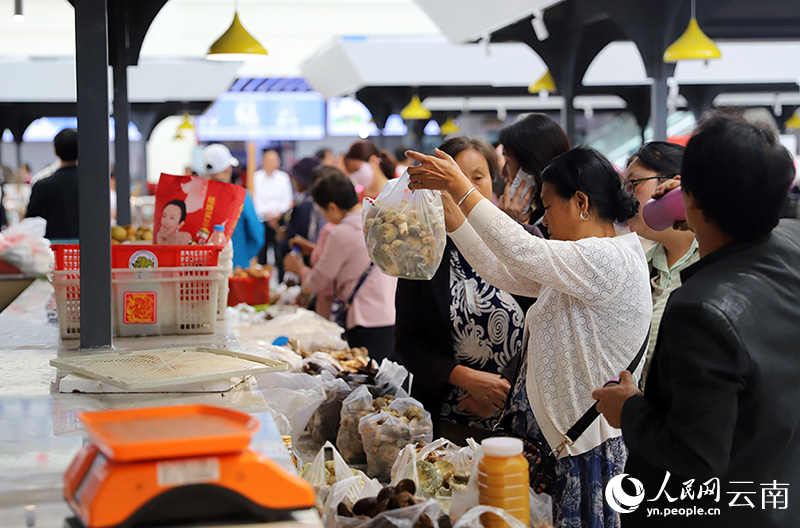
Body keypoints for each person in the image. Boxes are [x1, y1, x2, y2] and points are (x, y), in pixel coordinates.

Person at [407, 146, 651, 527]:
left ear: (581, 202)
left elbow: (522, 250)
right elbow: (501, 270)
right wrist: (455, 218)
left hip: (577, 446)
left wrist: (460, 187)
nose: (544, 219)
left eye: (548, 206)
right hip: (555, 439)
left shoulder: (609, 259)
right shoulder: (584, 259)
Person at [593, 113, 800, 528]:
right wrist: (698, 205)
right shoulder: (792, 243)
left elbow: (695, 457)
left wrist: (629, 409)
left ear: (692, 195)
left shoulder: (700, 309)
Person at [395, 137, 529, 444]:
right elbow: (407, 339)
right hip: (447, 418)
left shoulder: (520, 241)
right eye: (454, 176)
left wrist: (500, 389)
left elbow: (545, 323)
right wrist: (464, 377)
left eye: (477, 178)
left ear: (494, 185)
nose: (464, 187)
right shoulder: (422, 249)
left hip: (518, 415)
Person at [283, 169, 398, 361]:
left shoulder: (341, 232)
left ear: (333, 207)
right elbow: (353, 256)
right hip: (391, 314)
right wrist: (312, 250)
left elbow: (318, 280)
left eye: (322, 210)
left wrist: (299, 268)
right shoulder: (376, 219)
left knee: (367, 379)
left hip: (366, 318)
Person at [622, 142, 698, 389]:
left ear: (674, 184)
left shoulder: (715, 258)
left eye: (634, 185)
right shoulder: (639, 267)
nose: (626, 197)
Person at [497, 113, 571, 235]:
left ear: (528, 170)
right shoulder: (540, 217)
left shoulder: (554, 226)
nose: (503, 173)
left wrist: (511, 226)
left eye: (508, 162)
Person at [202, 144, 264, 268]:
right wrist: (244, 256)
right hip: (236, 267)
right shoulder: (241, 196)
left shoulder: (196, 195)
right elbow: (257, 235)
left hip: (204, 267)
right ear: (228, 168)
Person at [26, 128, 81, 240]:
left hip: (52, 251)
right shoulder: (91, 186)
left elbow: (29, 223)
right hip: (87, 250)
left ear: (55, 152)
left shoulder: (41, 186)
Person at [275, 156, 325, 270]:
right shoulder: (321, 201)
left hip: (304, 267)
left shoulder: (304, 206)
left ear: (303, 180)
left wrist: (282, 238)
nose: (293, 181)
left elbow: (294, 242)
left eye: (295, 177)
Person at [252, 149, 293, 266]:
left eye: (275, 161)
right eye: (269, 161)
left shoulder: (283, 177)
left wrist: (276, 214)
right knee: (261, 253)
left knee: (280, 252)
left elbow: (287, 200)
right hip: (261, 220)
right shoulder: (255, 178)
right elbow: (255, 200)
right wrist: (267, 214)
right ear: (263, 162)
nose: (273, 163)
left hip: (279, 220)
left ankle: (280, 281)